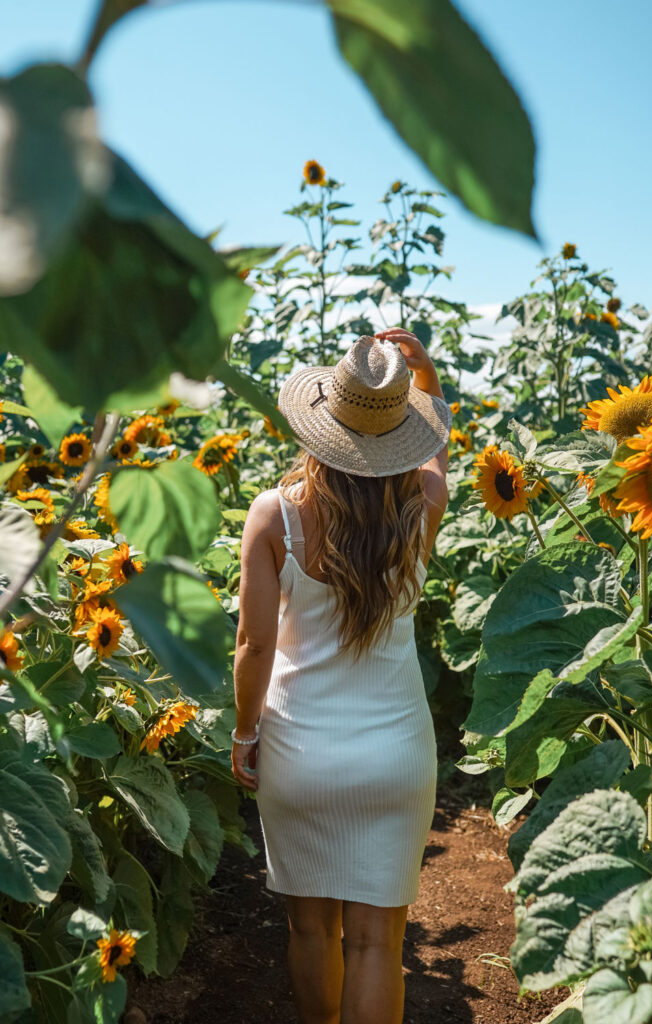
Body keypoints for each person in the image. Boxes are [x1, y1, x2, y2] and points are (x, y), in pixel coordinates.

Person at [230, 327, 452, 1024]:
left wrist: (243, 734)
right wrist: (429, 381)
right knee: (376, 946)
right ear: (401, 435)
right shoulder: (422, 503)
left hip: (301, 752)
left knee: (308, 930)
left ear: (321, 421)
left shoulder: (277, 514)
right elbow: (438, 456)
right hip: (396, 756)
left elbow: (253, 647)